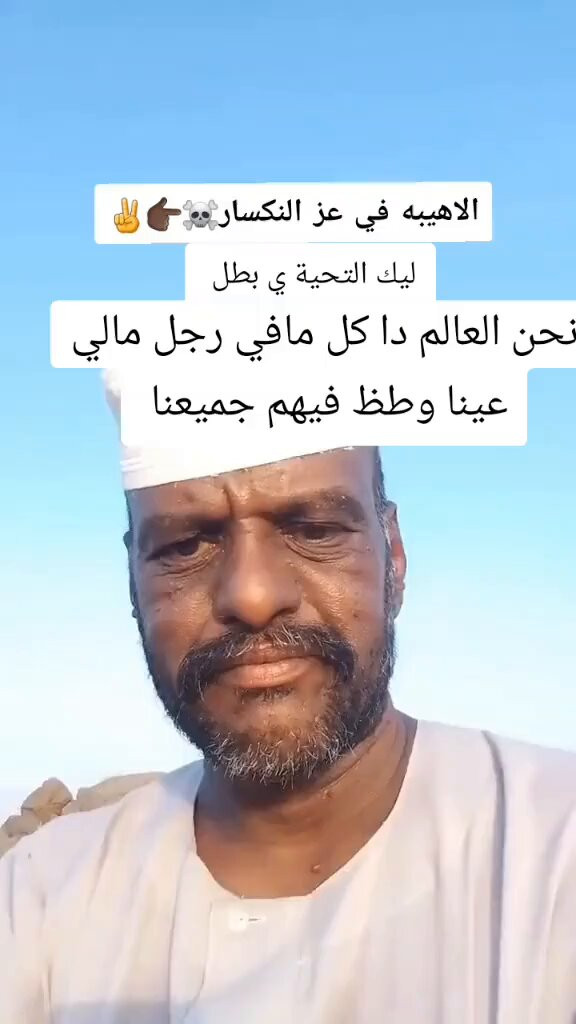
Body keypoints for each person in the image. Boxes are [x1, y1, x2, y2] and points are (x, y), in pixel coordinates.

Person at [1, 376, 575, 1023]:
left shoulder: (551, 850)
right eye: (186, 546)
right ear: (134, 582)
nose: (252, 597)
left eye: (314, 529)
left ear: (394, 557)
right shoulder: (39, 903)